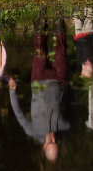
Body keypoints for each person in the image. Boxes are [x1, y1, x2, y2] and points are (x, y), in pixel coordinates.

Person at [8, 10, 71, 162]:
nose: (54, 139)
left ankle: (42, 13)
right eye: (57, 143)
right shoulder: (66, 127)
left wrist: (12, 91)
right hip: (60, 80)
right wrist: (70, 83)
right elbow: (72, 104)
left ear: (44, 146)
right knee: (61, 46)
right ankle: (58, 13)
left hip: (39, 79)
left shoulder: (31, 131)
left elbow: (19, 113)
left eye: (51, 143)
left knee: (39, 46)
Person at [73, 8, 93, 80]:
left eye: (83, 69)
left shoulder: (80, 62)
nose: (85, 66)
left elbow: (78, 51)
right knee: (89, 18)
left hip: (78, 36)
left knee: (76, 19)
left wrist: (75, 41)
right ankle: (89, 4)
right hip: (89, 33)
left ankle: (76, 6)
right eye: (87, 69)